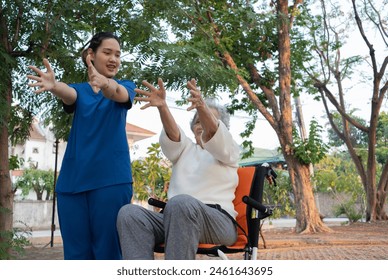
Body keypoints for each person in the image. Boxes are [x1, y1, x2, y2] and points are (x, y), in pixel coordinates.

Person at [27, 32, 136, 260]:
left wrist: (105, 82)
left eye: (118, 54)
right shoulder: (80, 90)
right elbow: (69, 94)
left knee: (108, 252)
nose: (114, 59)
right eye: (107, 52)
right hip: (71, 186)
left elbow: (117, 93)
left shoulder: (125, 86)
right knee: (76, 255)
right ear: (91, 55)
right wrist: (54, 85)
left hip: (111, 182)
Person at [116, 78, 240, 260]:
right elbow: (174, 135)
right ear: (192, 127)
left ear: (223, 127)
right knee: (129, 214)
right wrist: (162, 107)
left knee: (181, 203)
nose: (202, 123)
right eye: (198, 121)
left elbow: (213, 132)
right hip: (174, 216)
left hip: (217, 221)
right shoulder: (185, 149)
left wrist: (201, 106)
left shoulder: (229, 149)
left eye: (208, 119)